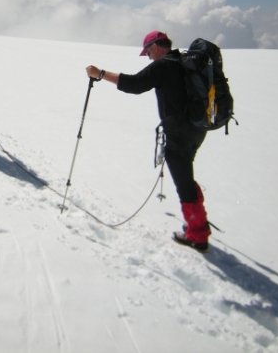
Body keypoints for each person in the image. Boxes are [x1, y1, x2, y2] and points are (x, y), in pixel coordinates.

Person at [86, 30, 211, 252]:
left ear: (155, 47)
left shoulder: (163, 66)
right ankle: (198, 221)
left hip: (179, 133)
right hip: (197, 129)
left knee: (183, 181)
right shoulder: (183, 61)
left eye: (148, 53)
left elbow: (134, 85)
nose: (149, 57)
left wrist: (101, 73)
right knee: (186, 175)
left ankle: (197, 234)